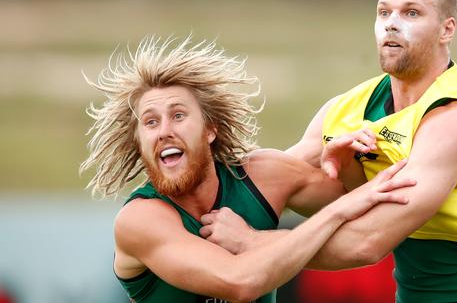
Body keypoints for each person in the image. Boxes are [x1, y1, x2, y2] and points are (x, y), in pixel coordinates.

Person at [200, 0, 457, 302]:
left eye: (411, 14)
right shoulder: (347, 109)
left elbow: (367, 243)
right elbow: (271, 181)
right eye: (383, 12)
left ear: (446, 30)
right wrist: (177, 200)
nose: (391, 24)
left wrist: (254, 243)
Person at [79, 35, 417, 303]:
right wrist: (331, 215)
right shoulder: (141, 220)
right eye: (150, 122)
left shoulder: (263, 177)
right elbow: (239, 281)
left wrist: (344, 167)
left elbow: (367, 216)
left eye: (179, 115)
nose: (165, 129)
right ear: (140, 144)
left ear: (210, 129)